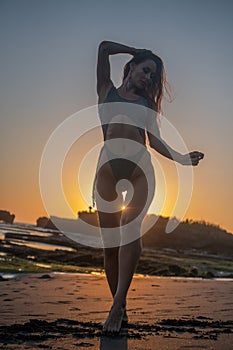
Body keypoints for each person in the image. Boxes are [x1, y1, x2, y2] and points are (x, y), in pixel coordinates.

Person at [93, 40, 204, 333]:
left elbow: (154, 141)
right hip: (107, 172)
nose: (148, 78)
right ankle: (121, 305)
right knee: (110, 247)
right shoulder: (107, 91)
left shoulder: (147, 104)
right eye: (145, 70)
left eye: (153, 76)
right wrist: (134, 51)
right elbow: (103, 48)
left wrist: (181, 158)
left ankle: (116, 309)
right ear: (131, 68)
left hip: (140, 171)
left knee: (131, 228)